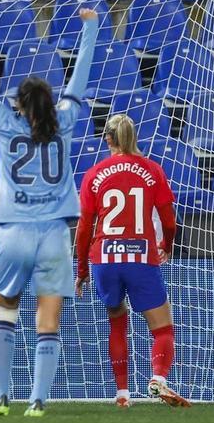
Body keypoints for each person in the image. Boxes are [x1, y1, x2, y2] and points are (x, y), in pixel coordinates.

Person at [0, 9, 99, 417]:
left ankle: (1, 397)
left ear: (18, 103)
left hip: (13, 231)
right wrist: (90, 27)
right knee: (47, 320)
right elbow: (79, 76)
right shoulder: (65, 120)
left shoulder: (3, 120)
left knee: (5, 311)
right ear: (50, 103)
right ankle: (37, 401)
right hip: (54, 234)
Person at [74, 114, 189, 408]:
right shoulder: (152, 170)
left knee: (117, 323)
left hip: (105, 259)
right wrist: (167, 244)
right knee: (162, 329)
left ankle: (123, 395)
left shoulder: (94, 174)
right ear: (133, 136)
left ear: (108, 140)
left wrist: (82, 270)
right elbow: (169, 221)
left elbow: (84, 228)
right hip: (140, 256)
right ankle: (158, 379)